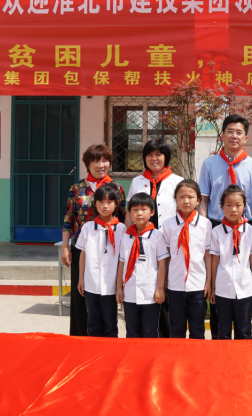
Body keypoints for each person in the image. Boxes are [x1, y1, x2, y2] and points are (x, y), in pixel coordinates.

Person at [199, 114, 252, 338]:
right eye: (230, 131)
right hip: (216, 226)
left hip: (245, 228)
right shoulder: (209, 164)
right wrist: (205, 228)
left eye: (239, 132)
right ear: (222, 135)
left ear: (245, 138)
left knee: (243, 283)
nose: (234, 136)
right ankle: (220, 342)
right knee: (219, 288)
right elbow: (204, 199)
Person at [62, 144, 126, 336]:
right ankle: (80, 337)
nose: (101, 165)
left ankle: (107, 338)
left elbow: (123, 218)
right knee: (80, 294)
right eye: (96, 161)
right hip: (83, 250)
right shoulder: (77, 188)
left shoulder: (116, 188)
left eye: (105, 160)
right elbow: (69, 218)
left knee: (107, 298)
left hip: (110, 250)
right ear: (87, 164)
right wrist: (65, 247)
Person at [126, 138, 183, 338]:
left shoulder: (177, 181)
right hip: (143, 243)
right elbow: (129, 212)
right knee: (148, 287)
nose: (154, 158)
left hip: (169, 242)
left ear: (166, 157)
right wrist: (128, 237)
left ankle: (165, 338)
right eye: (149, 155)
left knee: (166, 288)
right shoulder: (137, 181)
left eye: (159, 154)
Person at [163, 180, 212, 339]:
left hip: (198, 284)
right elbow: (167, 256)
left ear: (198, 200)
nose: (186, 201)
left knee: (197, 328)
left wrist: (208, 282)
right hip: (175, 284)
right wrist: (165, 282)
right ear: (175, 199)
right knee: (176, 328)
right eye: (181, 197)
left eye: (190, 197)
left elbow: (207, 255)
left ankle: (196, 355)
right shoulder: (168, 224)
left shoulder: (205, 224)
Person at [76, 185, 126, 338]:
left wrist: (120, 285)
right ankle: (93, 350)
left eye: (109, 202)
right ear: (95, 204)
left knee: (110, 324)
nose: (105, 206)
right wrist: (81, 278)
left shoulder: (122, 229)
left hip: (111, 285)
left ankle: (110, 351)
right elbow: (83, 254)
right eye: (101, 202)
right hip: (91, 283)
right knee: (93, 323)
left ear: (116, 204)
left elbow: (123, 260)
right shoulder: (88, 227)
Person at [209, 185, 252, 340]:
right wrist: (213, 288)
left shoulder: (251, 232)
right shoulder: (216, 232)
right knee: (223, 331)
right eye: (228, 205)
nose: (233, 209)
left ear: (244, 207)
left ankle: (243, 357)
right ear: (221, 207)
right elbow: (214, 261)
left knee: (244, 330)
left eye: (238, 205)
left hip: (245, 288)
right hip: (223, 288)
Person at [116, 193, 169, 338]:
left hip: (150, 292)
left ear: (152, 212)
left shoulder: (157, 236)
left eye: (144, 209)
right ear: (129, 213)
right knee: (131, 330)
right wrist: (119, 288)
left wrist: (160, 289)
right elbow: (122, 263)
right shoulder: (126, 237)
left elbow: (162, 263)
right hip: (130, 292)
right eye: (135, 210)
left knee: (150, 331)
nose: (139, 213)